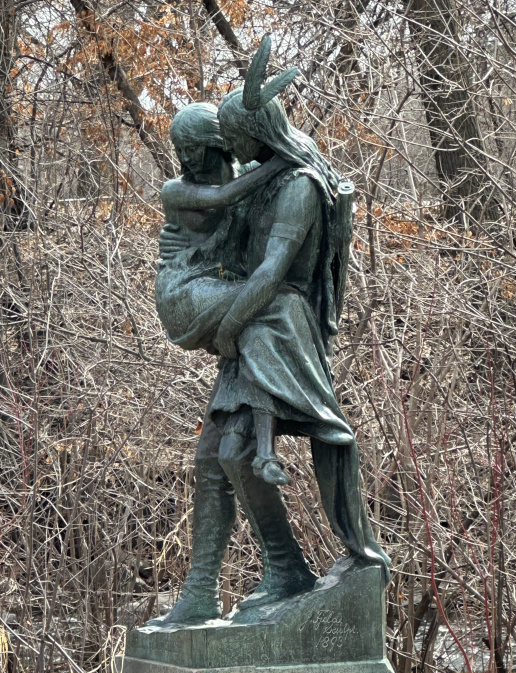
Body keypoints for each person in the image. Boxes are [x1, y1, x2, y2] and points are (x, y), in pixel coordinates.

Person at [153, 38, 390, 626]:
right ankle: (213, 588)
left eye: (233, 138)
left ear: (256, 132)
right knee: (215, 453)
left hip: (275, 325)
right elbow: (221, 230)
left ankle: (290, 567)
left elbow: (272, 272)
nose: (229, 152)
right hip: (252, 319)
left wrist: (228, 326)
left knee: (237, 450)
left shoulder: (298, 186)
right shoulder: (266, 179)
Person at [156, 102, 293, 485]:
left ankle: (264, 450)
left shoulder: (249, 175)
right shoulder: (177, 190)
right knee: (269, 306)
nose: (187, 158)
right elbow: (222, 197)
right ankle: (268, 446)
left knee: (262, 317)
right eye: (180, 150)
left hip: (222, 288)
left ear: (217, 143)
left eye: (194, 147)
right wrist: (283, 159)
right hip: (183, 293)